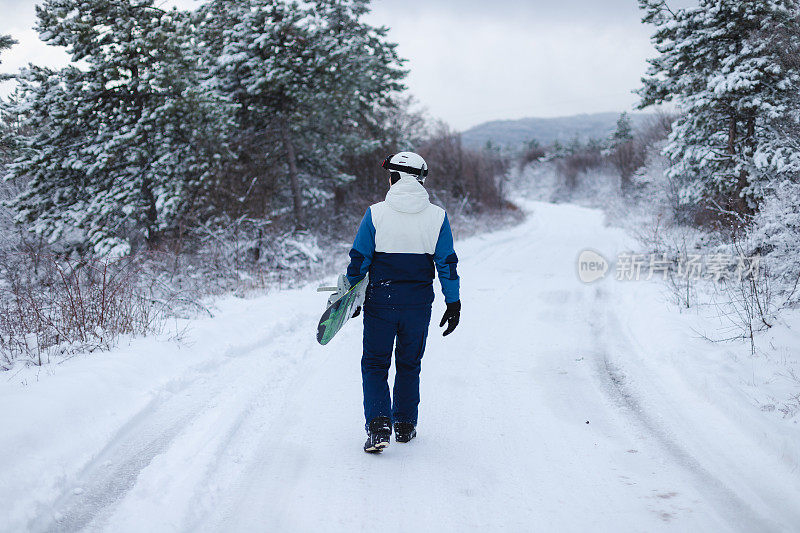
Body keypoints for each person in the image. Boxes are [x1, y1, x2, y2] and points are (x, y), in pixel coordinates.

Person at [344, 152, 461, 453]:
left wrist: (350, 295)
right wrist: (454, 301)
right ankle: (406, 425)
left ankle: (380, 424)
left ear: (394, 177)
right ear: (420, 179)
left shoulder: (375, 214)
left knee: (374, 364)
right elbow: (447, 263)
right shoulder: (438, 217)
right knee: (409, 364)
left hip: (381, 302)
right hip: (418, 305)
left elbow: (359, 260)